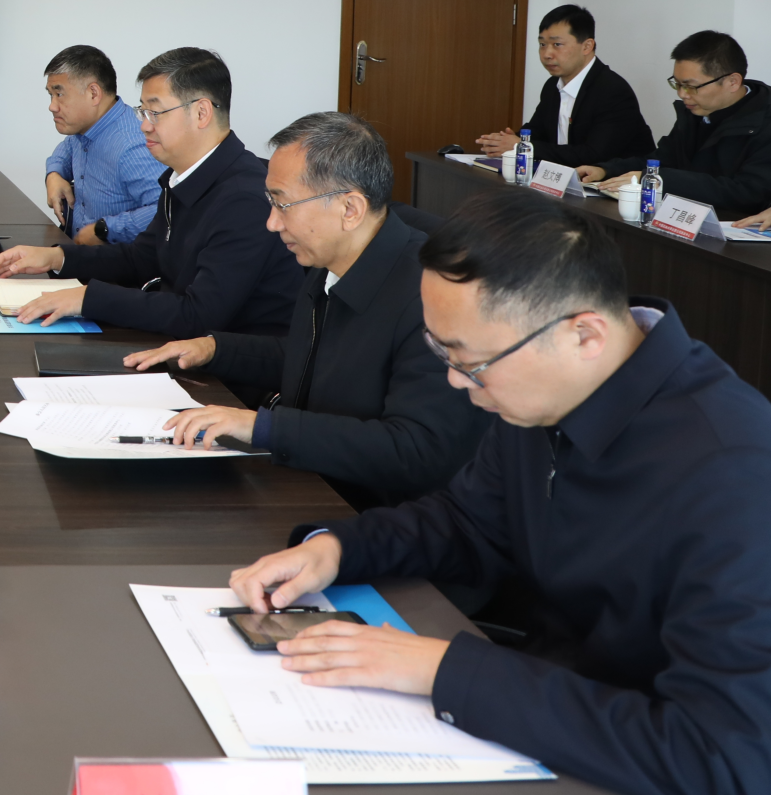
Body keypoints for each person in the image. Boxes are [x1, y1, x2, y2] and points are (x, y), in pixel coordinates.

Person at [222, 190, 771, 795]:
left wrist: (444, 671)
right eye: (441, 351)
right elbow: (467, 522)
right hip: (539, 708)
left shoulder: (734, 474)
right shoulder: (546, 392)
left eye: (470, 361)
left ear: (584, 335)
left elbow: (722, 756)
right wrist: (338, 549)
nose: (455, 381)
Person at [122, 112, 490, 509]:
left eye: (283, 204)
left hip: (373, 516)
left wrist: (264, 427)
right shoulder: (329, 261)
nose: (271, 223)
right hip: (313, 482)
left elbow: (415, 449)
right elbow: (311, 356)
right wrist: (213, 348)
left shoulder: (431, 299)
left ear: (350, 209)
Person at [0, 47, 301, 337]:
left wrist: (87, 298)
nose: (144, 126)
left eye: (155, 112)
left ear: (201, 113)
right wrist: (57, 257)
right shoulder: (182, 176)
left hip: (225, 369)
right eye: (143, 111)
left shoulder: (245, 200)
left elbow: (198, 316)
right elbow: (141, 258)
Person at [581, 29, 771, 219]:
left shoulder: (764, 121)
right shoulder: (695, 112)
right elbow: (661, 160)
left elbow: (748, 193)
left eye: (690, 86)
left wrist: (658, 180)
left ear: (732, 82)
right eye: (677, 84)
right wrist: (606, 170)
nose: (682, 94)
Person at [474, 4, 652, 168]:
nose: (547, 54)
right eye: (542, 44)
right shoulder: (553, 85)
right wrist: (505, 142)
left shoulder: (612, 90)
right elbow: (537, 132)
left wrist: (522, 146)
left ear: (587, 46)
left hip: (618, 185)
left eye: (557, 44)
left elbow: (594, 155)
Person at [39, 44, 162, 246]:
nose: (52, 106)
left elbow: (163, 211)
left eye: (59, 94)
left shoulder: (132, 145)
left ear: (93, 93)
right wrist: (54, 174)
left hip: (115, 262)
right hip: (78, 253)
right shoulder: (84, 129)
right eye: (50, 95)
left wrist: (104, 229)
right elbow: (66, 149)